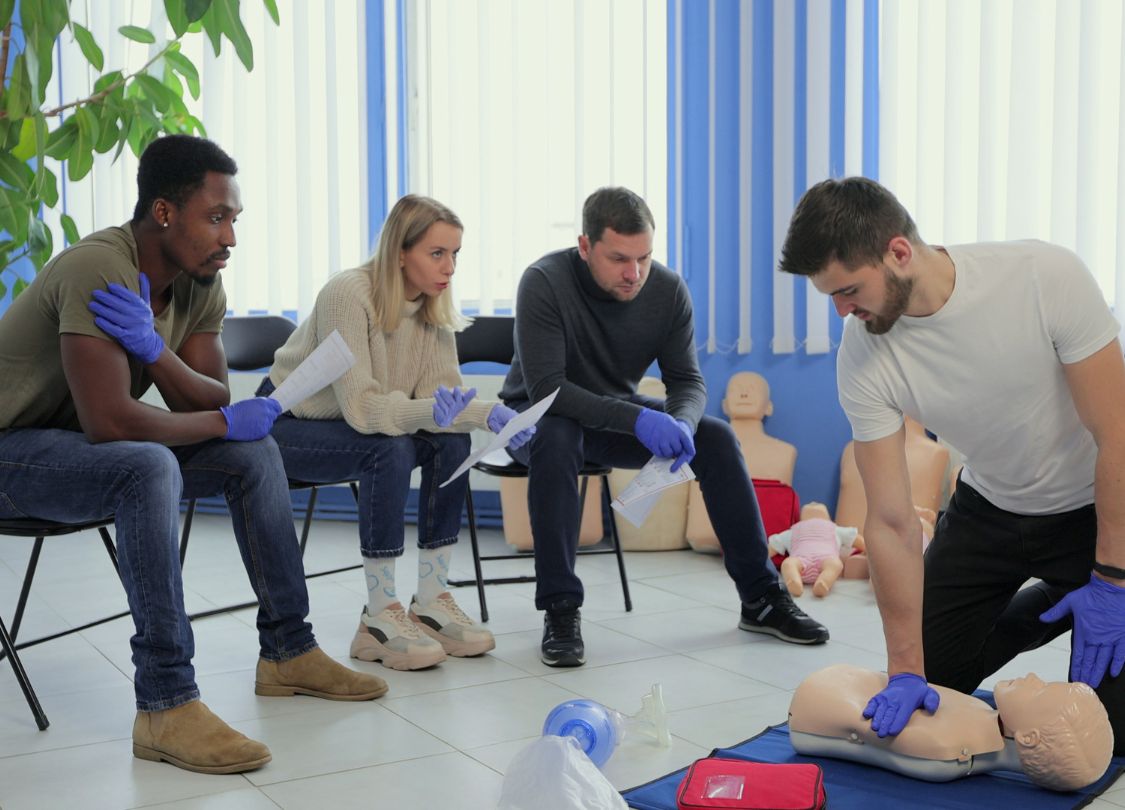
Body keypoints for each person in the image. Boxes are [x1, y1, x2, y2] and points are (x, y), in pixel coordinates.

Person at [0, 135, 388, 774]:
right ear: (163, 213)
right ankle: (165, 703)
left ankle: (289, 651)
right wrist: (209, 409)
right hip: (14, 455)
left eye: (234, 219)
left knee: (255, 450)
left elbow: (211, 395)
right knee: (145, 463)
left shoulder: (199, 281)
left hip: (73, 451)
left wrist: (153, 349)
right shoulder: (98, 268)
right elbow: (111, 422)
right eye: (217, 218)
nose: (230, 236)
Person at [778, 176, 1125, 751]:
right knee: (935, 686)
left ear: (898, 252)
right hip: (988, 508)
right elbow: (889, 519)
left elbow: (1117, 435)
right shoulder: (863, 355)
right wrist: (904, 667)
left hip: (1093, 506)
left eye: (847, 289)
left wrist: (1113, 579)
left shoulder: (1044, 277)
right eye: (829, 296)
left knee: (1114, 729)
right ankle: (1058, 603)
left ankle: (1086, 587)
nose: (841, 309)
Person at [499, 186, 829, 668]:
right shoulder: (544, 282)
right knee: (558, 434)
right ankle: (560, 609)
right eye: (618, 259)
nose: (634, 273)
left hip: (608, 415)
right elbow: (551, 390)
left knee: (715, 437)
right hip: (533, 418)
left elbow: (687, 380)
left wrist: (681, 421)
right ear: (585, 246)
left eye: (644, 257)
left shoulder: (667, 290)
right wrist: (640, 417)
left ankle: (760, 598)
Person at [263, 194, 534, 671]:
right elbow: (364, 410)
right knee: (387, 449)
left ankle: (430, 600)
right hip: (288, 424)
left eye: (455, 254)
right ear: (399, 252)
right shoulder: (348, 295)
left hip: (359, 425)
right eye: (437, 253)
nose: (449, 267)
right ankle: (378, 616)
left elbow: (439, 403)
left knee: (451, 441)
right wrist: (435, 410)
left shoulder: (432, 308)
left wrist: (492, 415)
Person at [789, 664, 1113, 791]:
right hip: (836, 685)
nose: (1032, 677)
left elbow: (858, 723)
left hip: (816, 699)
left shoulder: (947, 750)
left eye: (1040, 690)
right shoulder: (982, 715)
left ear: (1028, 737)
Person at [767, 502, 859, 598]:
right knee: (835, 564)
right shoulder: (834, 528)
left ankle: (794, 580)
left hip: (800, 560)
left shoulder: (793, 530)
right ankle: (823, 582)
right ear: (827, 518)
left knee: (788, 563)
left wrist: (758, 558)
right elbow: (855, 538)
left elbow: (773, 546)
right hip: (826, 559)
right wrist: (867, 551)